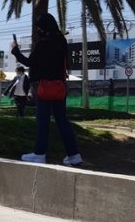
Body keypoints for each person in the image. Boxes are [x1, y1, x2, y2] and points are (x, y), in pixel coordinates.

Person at [10, 13, 82, 166]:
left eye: (39, 28)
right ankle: (74, 154)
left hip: (45, 87)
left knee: (43, 121)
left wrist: (15, 51)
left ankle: (39, 153)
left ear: (44, 28)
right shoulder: (61, 41)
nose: (38, 30)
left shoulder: (43, 44)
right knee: (62, 121)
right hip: (59, 87)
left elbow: (29, 62)